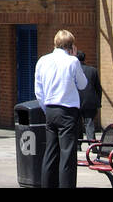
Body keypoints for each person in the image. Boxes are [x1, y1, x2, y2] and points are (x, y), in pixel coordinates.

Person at [34, 29, 87, 188]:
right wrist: (75, 57)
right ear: (71, 46)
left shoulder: (43, 60)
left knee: (50, 152)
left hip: (50, 110)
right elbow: (83, 84)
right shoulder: (73, 61)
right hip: (68, 111)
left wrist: (46, 108)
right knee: (67, 155)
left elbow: (39, 90)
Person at [76, 51, 101, 140]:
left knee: (77, 124)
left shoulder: (73, 70)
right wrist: (98, 102)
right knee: (89, 123)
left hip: (76, 101)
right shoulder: (92, 70)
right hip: (90, 101)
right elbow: (98, 87)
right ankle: (92, 145)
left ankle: (78, 145)